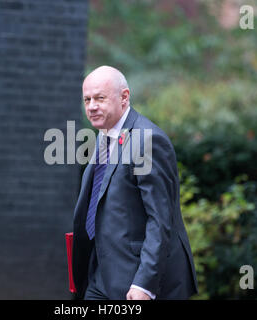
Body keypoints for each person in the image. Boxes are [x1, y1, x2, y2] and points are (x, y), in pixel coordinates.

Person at [72, 66, 198, 300]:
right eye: (87, 99)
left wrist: (144, 285)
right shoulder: (103, 137)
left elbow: (160, 219)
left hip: (139, 280)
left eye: (100, 98)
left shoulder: (147, 140)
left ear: (124, 97)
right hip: (101, 276)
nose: (91, 106)